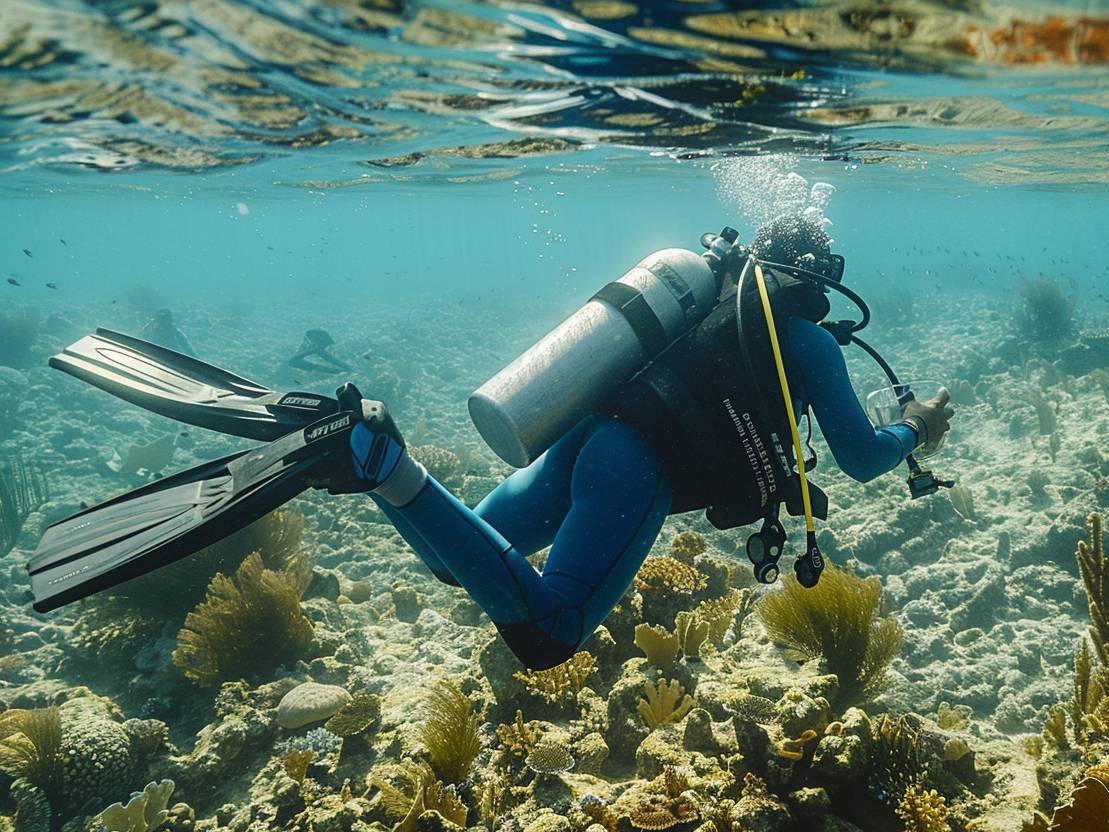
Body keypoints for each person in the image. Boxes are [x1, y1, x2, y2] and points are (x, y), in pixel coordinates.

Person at [334, 215, 954, 669]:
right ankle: (386, 465)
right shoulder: (807, 339)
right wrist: (916, 429)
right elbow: (863, 459)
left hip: (589, 432)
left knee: (452, 560)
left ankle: (370, 452)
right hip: (637, 470)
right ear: (820, 276)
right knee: (553, 633)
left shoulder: (710, 297)